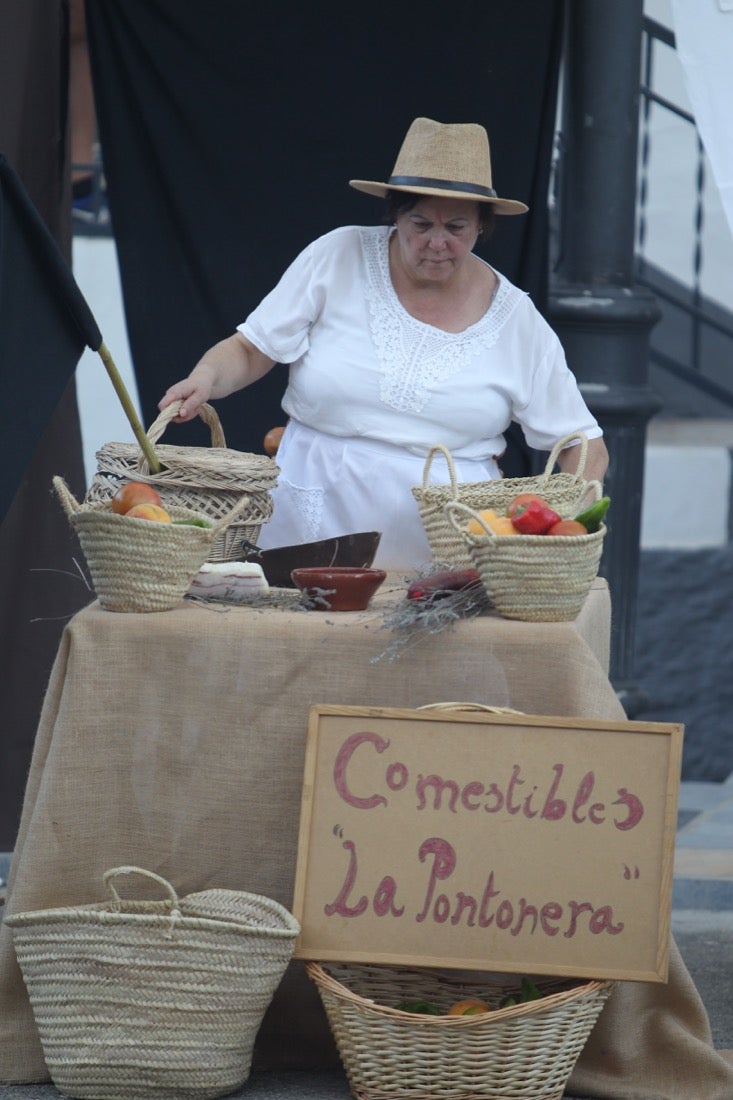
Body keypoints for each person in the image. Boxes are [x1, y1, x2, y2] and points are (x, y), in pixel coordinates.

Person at [159, 117, 608, 570]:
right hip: (306, 527)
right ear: (395, 214)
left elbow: (582, 444)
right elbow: (250, 349)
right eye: (420, 223)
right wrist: (205, 378)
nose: (437, 243)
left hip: (446, 550)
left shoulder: (516, 319)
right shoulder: (338, 256)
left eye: (456, 227)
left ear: (481, 226)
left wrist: (565, 530)